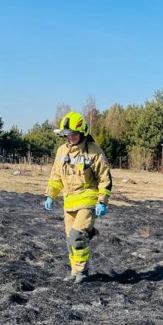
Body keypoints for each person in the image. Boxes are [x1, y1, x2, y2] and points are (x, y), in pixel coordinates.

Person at [44, 112, 112, 284]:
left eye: (74, 133)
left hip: (87, 201)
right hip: (69, 203)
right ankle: (74, 271)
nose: (71, 137)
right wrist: (50, 195)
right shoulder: (61, 151)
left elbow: (105, 178)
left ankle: (82, 271)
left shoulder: (94, 151)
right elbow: (56, 177)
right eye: (68, 134)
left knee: (77, 236)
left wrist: (102, 201)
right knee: (69, 240)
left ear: (82, 132)